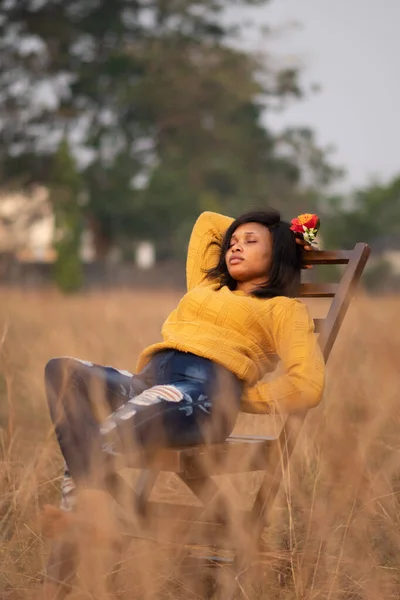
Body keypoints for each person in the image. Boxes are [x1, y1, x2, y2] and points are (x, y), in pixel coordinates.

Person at [42, 209, 325, 597]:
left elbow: (307, 383)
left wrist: (241, 398)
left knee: (105, 435)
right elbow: (208, 223)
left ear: (277, 256)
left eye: (251, 241)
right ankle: (96, 520)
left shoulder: (283, 310)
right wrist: (261, 232)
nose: (235, 246)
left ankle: (74, 539)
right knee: (62, 372)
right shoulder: (207, 285)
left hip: (199, 395)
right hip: (147, 385)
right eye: (233, 242)